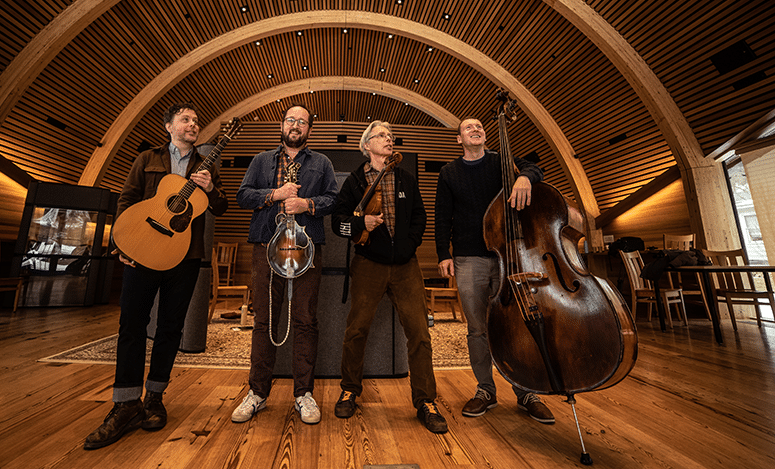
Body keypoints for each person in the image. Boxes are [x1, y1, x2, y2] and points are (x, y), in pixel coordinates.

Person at [84, 103, 228, 450]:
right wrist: (121, 242)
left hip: (185, 257)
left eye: (196, 120)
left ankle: (154, 398)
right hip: (143, 253)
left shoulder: (204, 166)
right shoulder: (147, 158)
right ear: (169, 126)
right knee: (131, 325)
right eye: (185, 119)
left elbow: (221, 207)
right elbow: (127, 199)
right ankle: (125, 403)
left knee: (170, 329)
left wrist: (209, 189)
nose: (193, 124)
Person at [434, 117, 555, 424]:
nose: (476, 130)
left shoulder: (503, 162)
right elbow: (442, 216)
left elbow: (536, 167)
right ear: (459, 139)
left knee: (516, 324)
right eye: (468, 128)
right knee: (477, 328)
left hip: (509, 257)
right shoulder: (449, 173)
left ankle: (526, 390)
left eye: (479, 127)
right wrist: (442, 253)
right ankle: (486, 390)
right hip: (468, 257)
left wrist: (525, 176)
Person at [332, 121, 448, 434]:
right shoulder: (356, 181)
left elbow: (420, 217)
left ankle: (425, 401)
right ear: (366, 145)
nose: (389, 140)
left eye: (391, 136)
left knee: (420, 333)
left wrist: (410, 244)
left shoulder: (406, 178)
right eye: (382, 136)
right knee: (356, 329)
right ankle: (349, 390)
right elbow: (337, 223)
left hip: (406, 266)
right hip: (368, 264)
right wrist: (361, 225)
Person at [232, 105, 338, 425]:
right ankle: (257, 393)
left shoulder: (322, 163)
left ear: (309, 130)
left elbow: (333, 199)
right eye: (291, 120)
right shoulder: (262, 160)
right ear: (282, 125)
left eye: (302, 122)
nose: (296, 125)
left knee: (305, 320)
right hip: (266, 249)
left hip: (306, 252)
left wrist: (308, 204)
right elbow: (242, 196)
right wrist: (274, 194)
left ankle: (303, 394)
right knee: (264, 321)